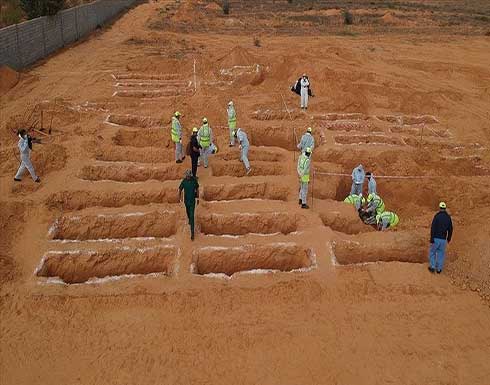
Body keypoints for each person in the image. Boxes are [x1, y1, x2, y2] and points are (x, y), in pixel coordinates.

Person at [428, 202, 453, 274]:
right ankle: (439, 269)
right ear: (445, 208)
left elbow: (433, 228)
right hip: (443, 240)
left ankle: (432, 267)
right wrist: (449, 238)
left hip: (436, 238)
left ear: (439, 208)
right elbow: (450, 229)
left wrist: (432, 238)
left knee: (432, 252)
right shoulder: (448, 217)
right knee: (441, 254)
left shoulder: (437, 216)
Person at [178, 170, 199, 240]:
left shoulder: (194, 181)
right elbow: (180, 189)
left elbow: (197, 188)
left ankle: (192, 233)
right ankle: (189, 219)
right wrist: (179, 197)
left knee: (192, 215)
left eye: (189, 176)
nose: (188, 177)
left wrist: (198, 198)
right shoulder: (184, 181)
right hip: (186, 201)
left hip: (192, 201)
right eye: (187, 176)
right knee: (188, 213)